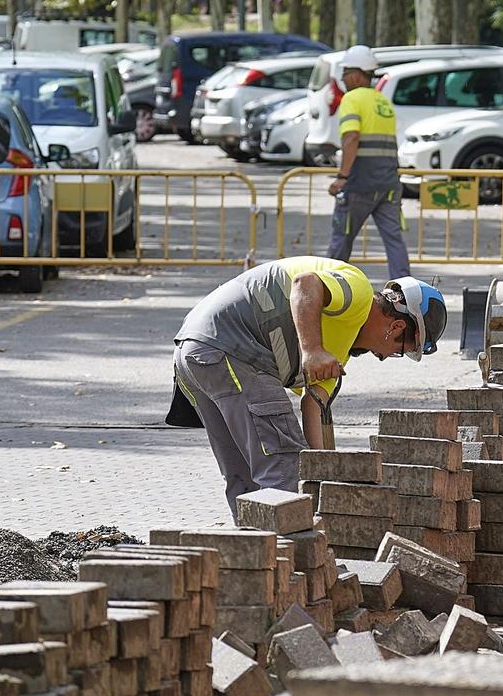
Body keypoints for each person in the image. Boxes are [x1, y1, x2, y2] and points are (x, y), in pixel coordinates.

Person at [169, 256, 445, 518]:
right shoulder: (357, 291)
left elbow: (312, 408)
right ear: (396, 327)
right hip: (233, 348)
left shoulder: (337, 354)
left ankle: (253, 561)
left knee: (243, 477)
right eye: (400, 350)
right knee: (285, 469)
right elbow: (305, 283)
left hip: (196, 352)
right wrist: (311, 350)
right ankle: (292, 562)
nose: (385, 357)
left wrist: (325, 479)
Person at [325, 46, 411, 279]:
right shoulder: (382, 101)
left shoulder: (352, 99)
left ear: (356, 74)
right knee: (394, 240)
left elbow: (351, 137)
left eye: (345, 72)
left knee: (341, 240)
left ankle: (327, 290)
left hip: (360, 184)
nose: (342, 78)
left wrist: (342, 177)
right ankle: (405, 289)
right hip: (388, 184)